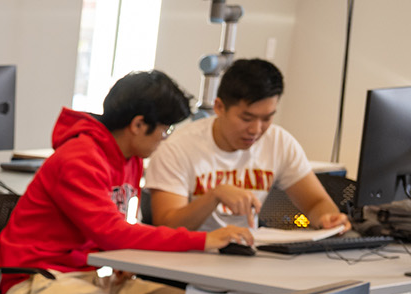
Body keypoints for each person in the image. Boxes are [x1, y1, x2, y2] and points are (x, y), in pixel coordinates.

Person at [0, 71, 253, 294]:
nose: (165, 138)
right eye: (165, 130)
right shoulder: (79, 157)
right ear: (139, 125)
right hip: (36, 286)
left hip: (90, 278)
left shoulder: (130, 158)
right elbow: (114, 233)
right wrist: (205, 240)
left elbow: (116, 228)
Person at [144, 58, 350, 234]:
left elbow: (316, 203)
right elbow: (167, 226)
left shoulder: (278, 142)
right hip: (187, 261)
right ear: (219, 107)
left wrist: (327, 218)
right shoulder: (177, 148)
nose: (256, 129)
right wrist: (214, 196)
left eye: (267, 118)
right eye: (246, 118)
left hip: (246, 255)